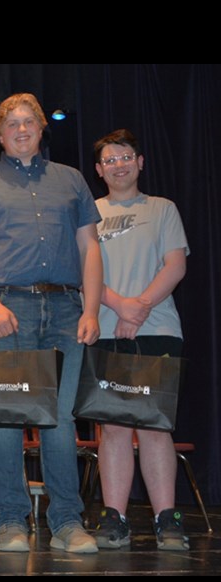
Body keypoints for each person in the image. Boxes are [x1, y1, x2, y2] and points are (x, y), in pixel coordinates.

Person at [0, 93, 103, 554]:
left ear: (41, 129)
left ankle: (66, 522)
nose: (21, 129)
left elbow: (90, 248)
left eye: (29, 122)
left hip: (64, 311)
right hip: (5, 310)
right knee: (5, 419)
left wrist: (91, 309)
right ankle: (11, 519)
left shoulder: (72, 180)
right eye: (11, 123)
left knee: (60, 418)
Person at [90, 129, 190, 550]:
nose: (119, 164)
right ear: (99, 170)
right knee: (111, 428)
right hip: (105, 330)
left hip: (158, 330)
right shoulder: (88, 212)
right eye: (110, 160)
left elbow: (175, 265)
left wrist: (141, 306)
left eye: (125, 156)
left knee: (154, 428)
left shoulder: (163, 209)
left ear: (140, 161)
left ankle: (168, 519)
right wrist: (119, 306)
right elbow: (82, 272)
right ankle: (114, 518)